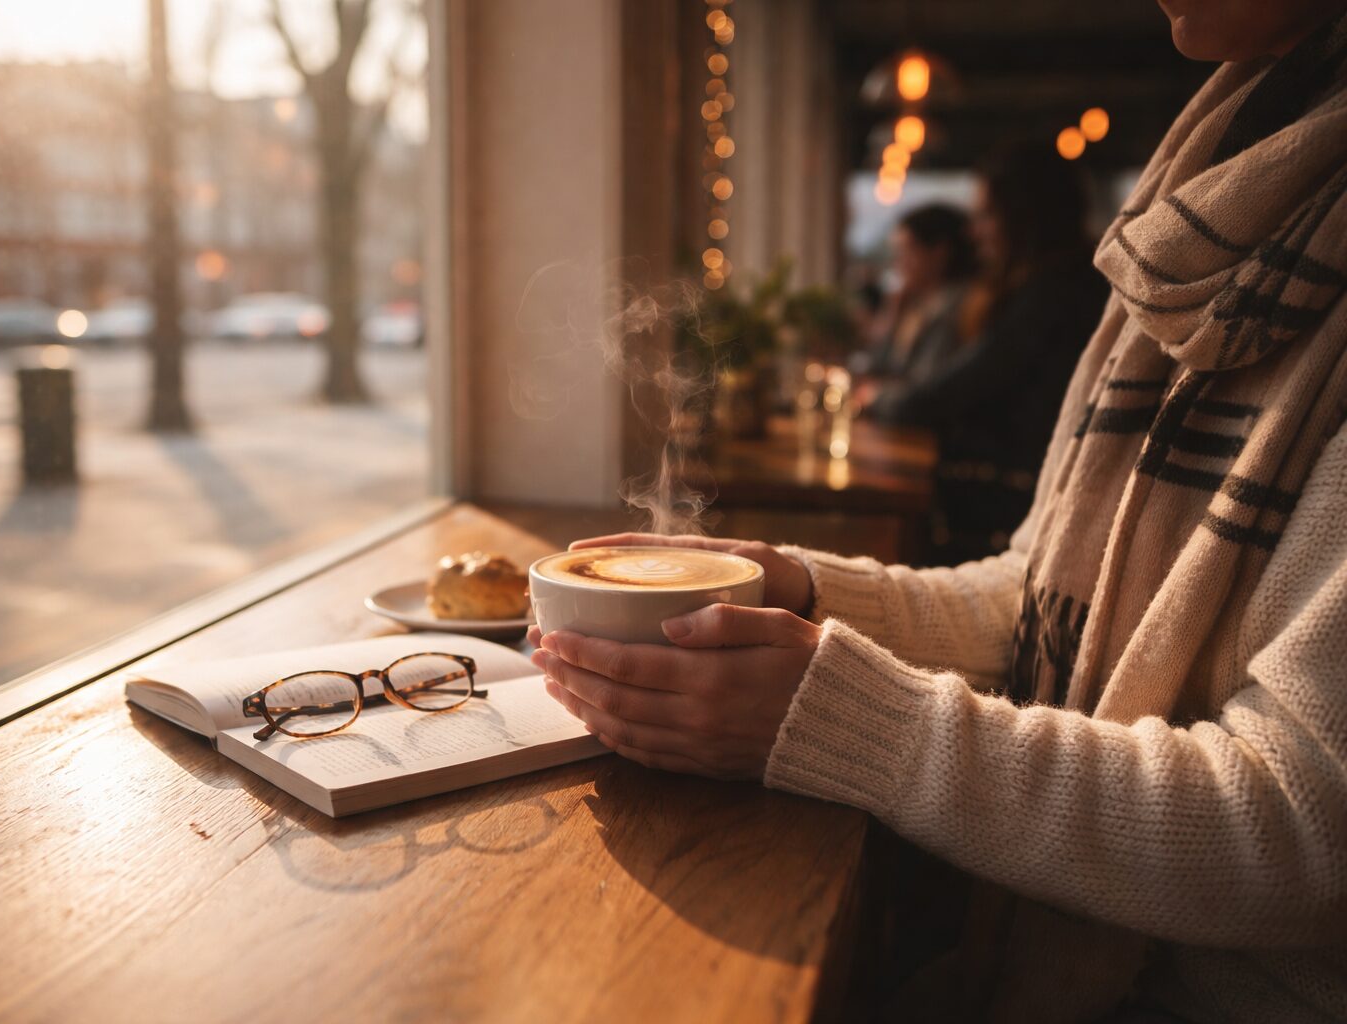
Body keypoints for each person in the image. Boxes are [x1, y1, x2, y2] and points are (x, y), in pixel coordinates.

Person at [532, 3, 1347, 1021]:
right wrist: (802, 584)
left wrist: (839, 719)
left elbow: (1305, 828)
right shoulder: (1202, 210)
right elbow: (1040, 594)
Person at [867, 147, 1109, 565]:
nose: (974, 231)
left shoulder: (1053, 294)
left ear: (1026, 217)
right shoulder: (1061, 286)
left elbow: (950, 390)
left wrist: (876, 401)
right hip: (1032, 497)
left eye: (986, 216)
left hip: (1020, 509)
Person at [864, 203, 978, 386]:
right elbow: (879, 365)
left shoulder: (954, 307)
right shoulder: (919, 305)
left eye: (906, 252)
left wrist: (875, 396)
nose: (899, 264)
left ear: (939, 253)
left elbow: (924, 385)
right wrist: (892, 311)